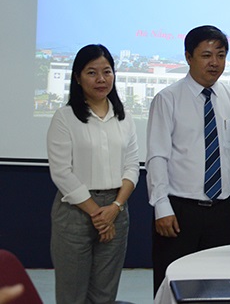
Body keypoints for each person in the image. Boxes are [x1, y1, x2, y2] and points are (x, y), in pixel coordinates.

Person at [147, 25, 230, 293]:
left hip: (221, 210)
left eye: (221, 55)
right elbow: (157, 157)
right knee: (172, 287)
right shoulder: (167, 99)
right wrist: (161, 207)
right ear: (188, 57)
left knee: (215, 287)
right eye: (206, 55)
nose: (215, 63)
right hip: (179, 211)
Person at [47, 44, 139, 303]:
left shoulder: (125, 118)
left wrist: (115, 208)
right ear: (77, 77)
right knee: (71, 292)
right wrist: (98, 216)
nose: (101, 79)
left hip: (116, 210)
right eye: (91, 72)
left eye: (107, 71)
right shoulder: (65, 117)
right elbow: (62, 172)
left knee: (105, 293)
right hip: (75, 212)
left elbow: (132, 166)